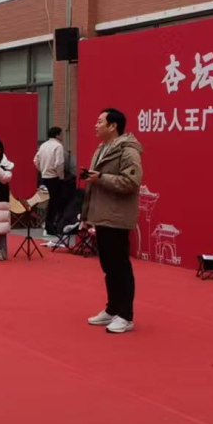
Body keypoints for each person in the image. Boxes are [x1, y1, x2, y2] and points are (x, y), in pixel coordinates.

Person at [81, 108, 143, 335]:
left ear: (113, 126)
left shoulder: (128, 150)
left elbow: (132, 181)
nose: (96, 125)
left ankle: (125, 315)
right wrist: (87, 215)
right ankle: (112, 309)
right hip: (103, 215)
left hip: (117, 216)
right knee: (108, 266)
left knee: (120, 266)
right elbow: (96, 183)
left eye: (100, 122)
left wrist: (101, 178)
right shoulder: (102, 148)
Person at [33, 127, 70, 228]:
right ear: (57, 135)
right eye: (61, 134)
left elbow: (35, 160)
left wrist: (42, 170)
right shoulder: (58, 146)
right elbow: (59, 163)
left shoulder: (43, 145)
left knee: (52, 201)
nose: (63, 136)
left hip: (45, 177)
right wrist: (61, 177)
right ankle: (51, 225)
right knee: (55, 202)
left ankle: (49, 224)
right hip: (55, 177)